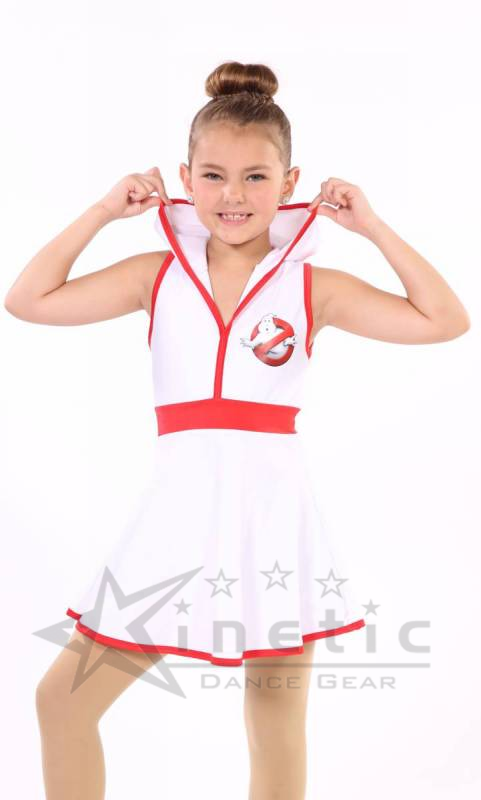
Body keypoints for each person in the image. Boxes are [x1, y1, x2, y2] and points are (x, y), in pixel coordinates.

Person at [4, 60, 470, 800]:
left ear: (290, 183)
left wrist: (372, 227)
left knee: (274, 723)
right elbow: (27, 300)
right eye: (214, 176)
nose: (233, 195)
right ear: (185, 179)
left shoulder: (312, 287)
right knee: (62, 700)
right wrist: (101, 211)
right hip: (173, 517)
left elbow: (445, 320)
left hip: (272, 520)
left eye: (256, 177)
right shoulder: (155, 274)